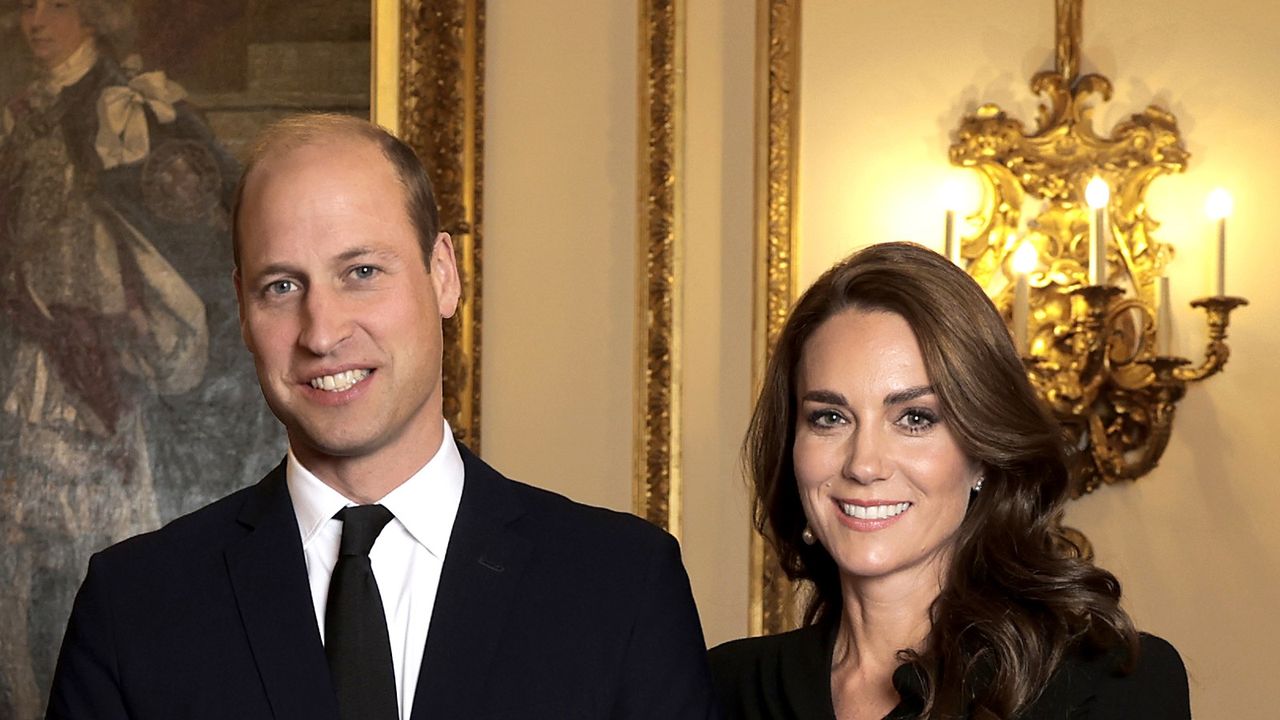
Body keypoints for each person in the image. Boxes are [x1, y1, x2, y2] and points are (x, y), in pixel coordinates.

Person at [46, 114, 718, 719]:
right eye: (281, 286)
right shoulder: (133, 607)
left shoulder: (620, 586)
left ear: (443, 275)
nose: (322, 331)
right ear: (242, 313)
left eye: (361, 272)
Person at [709, 242, 1190, 719]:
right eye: (830, 417)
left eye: (915, 418)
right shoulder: (726, 688)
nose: (864, 464)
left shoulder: (1107, 683)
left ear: (982, 451)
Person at [0, 0, 236, 715]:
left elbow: (187, 217)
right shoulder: (21, 112)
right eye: (24, 6)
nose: (34, 21)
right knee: (20, 534)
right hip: (32, 347)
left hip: (111, 357)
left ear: (95, 15)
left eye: (55, 4)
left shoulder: (130, 105)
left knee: (104, 540)